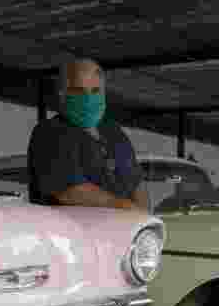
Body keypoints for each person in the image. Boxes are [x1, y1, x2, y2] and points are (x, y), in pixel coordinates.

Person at [27, 58, 149, 211]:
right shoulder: (50, 133)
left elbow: (136, 183)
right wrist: (126, 208)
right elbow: (71, 192)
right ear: (62, 94)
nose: (88, 98)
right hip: (73, 233)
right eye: (79, 91)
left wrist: (143, 217)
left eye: (95, 91)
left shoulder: (114, 132)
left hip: (122, 230)